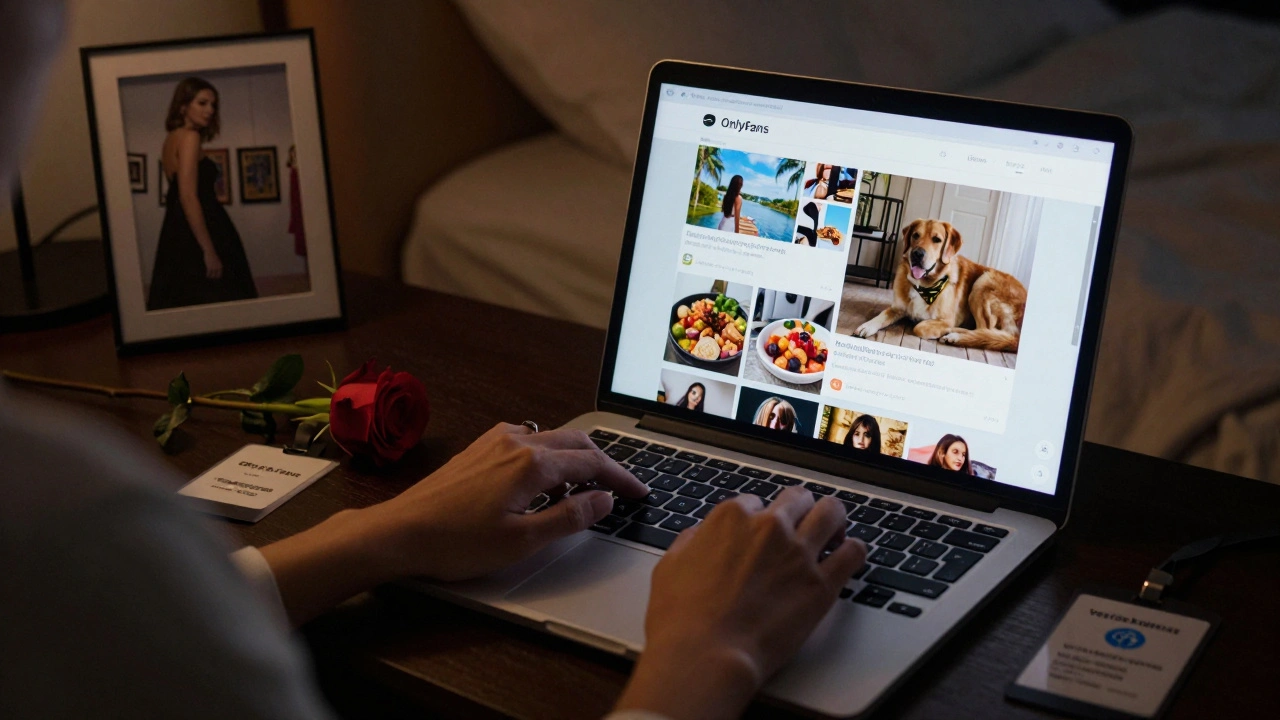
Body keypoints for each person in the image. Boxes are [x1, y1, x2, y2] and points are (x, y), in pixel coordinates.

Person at [0, 5, 867, 719]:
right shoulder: (68, 524)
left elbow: (152, 630)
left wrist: (382, 533)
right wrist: (708, 654)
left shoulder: (70, 530)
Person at [147, 76, 258, 310]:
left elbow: (178, 193)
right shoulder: (190, 137)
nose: (210, 110)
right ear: (183, 106)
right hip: (202, 227)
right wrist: (208, 250)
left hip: (178, 227)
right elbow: (188, 196)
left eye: (213, 105)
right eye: (202, 103)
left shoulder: (171, 139)